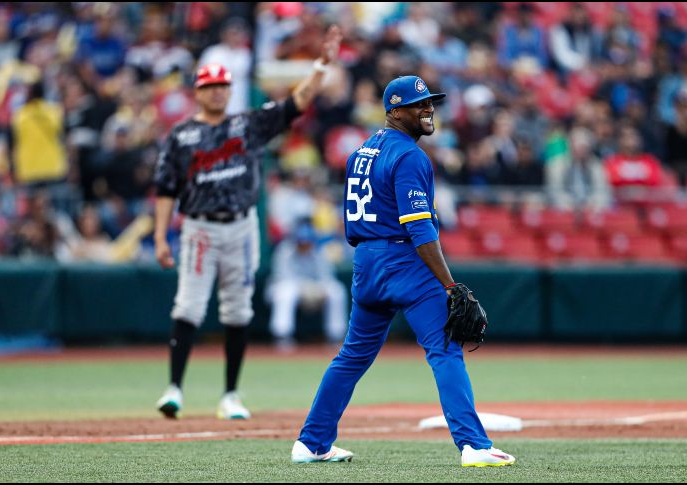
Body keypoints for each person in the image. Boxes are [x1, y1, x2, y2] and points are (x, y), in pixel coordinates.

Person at [290, 76, 516, 467]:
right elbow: (419, 227)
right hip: (404, 260)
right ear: (395, 111)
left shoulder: (361, 151)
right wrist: (449, 284)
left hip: (367, 260)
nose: (428, 109)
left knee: (352, 356)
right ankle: (474, 445)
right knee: (445, 351)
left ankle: (311, 443)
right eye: (418, 104)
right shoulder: (410, 156)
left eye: (430, 102)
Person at [152, 25, 342, 420]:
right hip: (200, 226)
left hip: (240, 226)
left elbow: (296, 103)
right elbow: (166, 189)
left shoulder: (247, 125)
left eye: (223, 86)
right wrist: (159, 237)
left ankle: (230, 394)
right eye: (210, 86)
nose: (217, 92)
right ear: (197, 92)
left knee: (238, 311)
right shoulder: (182, 135)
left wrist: (321, 66)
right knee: (189, 304)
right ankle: (174, 388)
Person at [267, 223, 348, 348]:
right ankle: (282, 335)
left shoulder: (319, 252)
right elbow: (283, 278)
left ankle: (336, 335)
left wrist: (317, 289)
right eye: (301, 242)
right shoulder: (284, 251)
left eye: (307, 242)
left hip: (314, 288)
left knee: (337, 291)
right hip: (285, 288)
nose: (304, 245)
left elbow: (326, 277)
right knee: (286, 292)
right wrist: (304, 287)